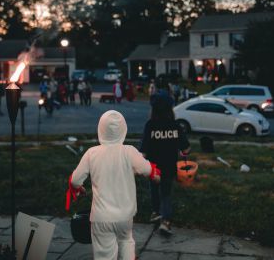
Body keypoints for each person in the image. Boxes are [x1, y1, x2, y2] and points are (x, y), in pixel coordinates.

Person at [69, 110, 161, 260]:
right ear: (123, 130)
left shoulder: (92, 153)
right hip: (125, 217)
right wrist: (156, 175)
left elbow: (75, 180)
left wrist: (79, 187)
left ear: (101, 129)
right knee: (126, 242)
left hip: (101, 217)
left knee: (104, 254)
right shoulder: (129, 152)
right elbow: (148, 170)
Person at [140, 99, 190, 235]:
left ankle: (155, 212)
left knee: (154, 189)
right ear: (170, 110)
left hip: (153, 168)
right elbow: (185, 148)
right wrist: (183, 152)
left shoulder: (150, 125)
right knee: (166, 194)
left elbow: (143, 150)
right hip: (169, 167)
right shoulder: (175, 125)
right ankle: (166, 222)